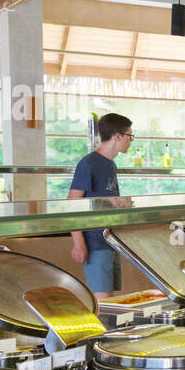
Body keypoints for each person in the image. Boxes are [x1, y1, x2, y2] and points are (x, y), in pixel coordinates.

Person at [68, 113, 134, 299]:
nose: (131, 140)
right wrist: (78, 243)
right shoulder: (89, 163)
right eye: (129, 135)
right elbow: (72, 204)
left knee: (111, 300)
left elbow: (101, 200)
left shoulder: (110, 164)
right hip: (94, 242)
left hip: (110, 240)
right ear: (117, 135)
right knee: (104, 301)